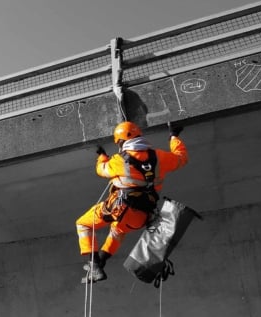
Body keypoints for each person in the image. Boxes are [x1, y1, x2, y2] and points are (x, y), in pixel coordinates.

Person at [75, 121, 188, 283]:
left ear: (121, 142)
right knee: (118, 231)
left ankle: (94, 265)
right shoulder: (160, 157)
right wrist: (174, 136)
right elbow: (181, 158)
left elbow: (101, 170)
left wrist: (101, 156)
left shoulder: (119, 160)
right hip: (141, 217)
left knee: (83, 224)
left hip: (119, 209)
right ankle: (100, 261)